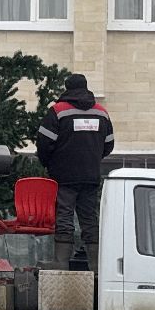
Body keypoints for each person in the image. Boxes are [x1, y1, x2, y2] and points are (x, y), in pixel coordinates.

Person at [35, 74, 115, 271]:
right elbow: (109, 145)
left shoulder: (58, 111)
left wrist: (49, 164)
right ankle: (96, 266)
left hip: (64, 176)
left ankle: (61, 263)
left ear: (67, 88)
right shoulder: (102, 113)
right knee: (89, 219)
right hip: (90, 175)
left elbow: (44, 144)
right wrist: (93, 159)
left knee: (64, 216)